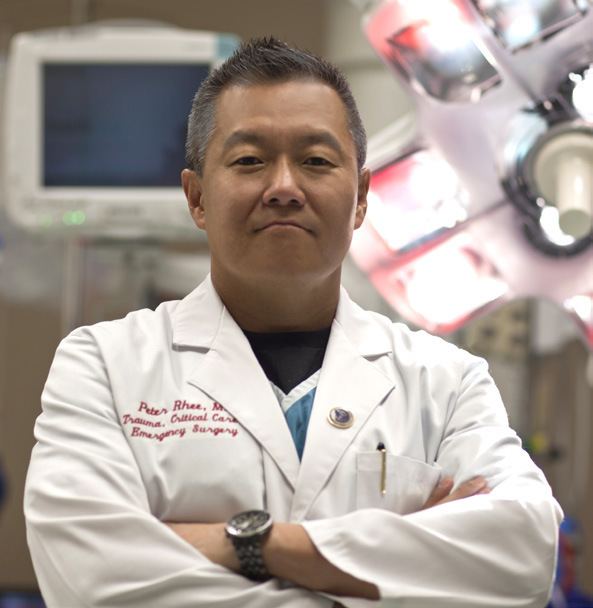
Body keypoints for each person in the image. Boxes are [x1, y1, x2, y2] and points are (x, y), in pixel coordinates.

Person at [24, 37, 562, 607]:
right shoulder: (103, 366)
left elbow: (523, 553)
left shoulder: (446, 382)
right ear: (197, 197)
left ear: (360, 198)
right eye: (250, 160)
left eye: (316, 161)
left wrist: (252, 545)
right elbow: (93, 581)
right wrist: (394, 569)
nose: (284, 187)